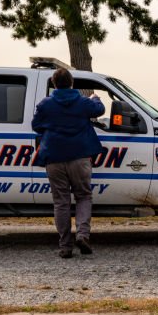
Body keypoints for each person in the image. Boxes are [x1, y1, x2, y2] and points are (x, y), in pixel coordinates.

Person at [31, 68, 105, 258]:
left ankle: (65, 246)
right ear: (71, 83)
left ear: (54, 84)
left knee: (61, 202)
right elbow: (99, 110)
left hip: (54, 158)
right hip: (80, 158)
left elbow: (36, 126)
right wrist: (95, 98)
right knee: (83, 196)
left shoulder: (45, 104)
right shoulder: (82, 102)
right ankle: (82, 234)